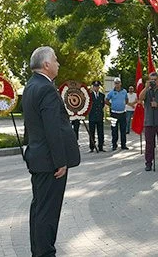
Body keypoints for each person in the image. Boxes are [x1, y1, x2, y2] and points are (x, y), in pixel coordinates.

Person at [22, 46, 80, 257]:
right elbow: (52, 127)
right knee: (48, 213)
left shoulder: (31, 86)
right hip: (49, 162)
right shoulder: (45, 88)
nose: (58, 63)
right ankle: (45, 253)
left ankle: (38, 251)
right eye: (55, 60)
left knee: (39, 210)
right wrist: (60, 161)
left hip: (38, 158)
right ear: (46, 65)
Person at [106, 77, 129, 151]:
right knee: (114, 130)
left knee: (123, 130)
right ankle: (114, 145)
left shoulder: (124, 91)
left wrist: (122, 104)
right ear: (114, 84)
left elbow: (126, 99)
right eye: (116, 83)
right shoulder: (111, 92)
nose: (117, 84)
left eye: (118, 82)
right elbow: (106, 100)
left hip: (123, 113)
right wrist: (112, 105)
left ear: (120, 83)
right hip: (114, 114)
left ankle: (123, 145)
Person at [87, 81, 105, 152]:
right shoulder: (89, 95)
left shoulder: (102, 95)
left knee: (100, 132)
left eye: (97, 86)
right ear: (93, 87)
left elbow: (102, 105)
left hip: (100, 116)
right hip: (92, 117)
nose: (96, 88)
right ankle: (92, 147)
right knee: (92, 132)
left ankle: (101, 147)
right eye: (95, 86)